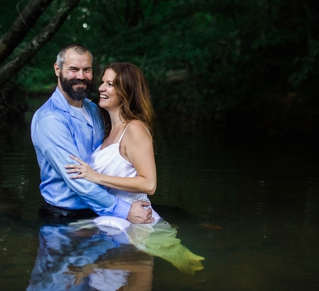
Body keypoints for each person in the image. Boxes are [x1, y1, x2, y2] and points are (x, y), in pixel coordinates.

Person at [63, 62, 205, 274]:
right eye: (103, 82)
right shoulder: (109, 131)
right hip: (116, 216)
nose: (101, 87)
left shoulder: (135, 129)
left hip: (136, 221)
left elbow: (149, 183)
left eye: (110, 84)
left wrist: (96, 177)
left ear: (126, 92)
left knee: (190, 268)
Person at [32, 44, 151, 225]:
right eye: (73, 69)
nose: (81, 76)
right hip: (66, 218)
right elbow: (77, 179)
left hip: (100, 212)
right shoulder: (50, 119)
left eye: (86, 70)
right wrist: (125, 210)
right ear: (57, 69)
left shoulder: (95, 110)